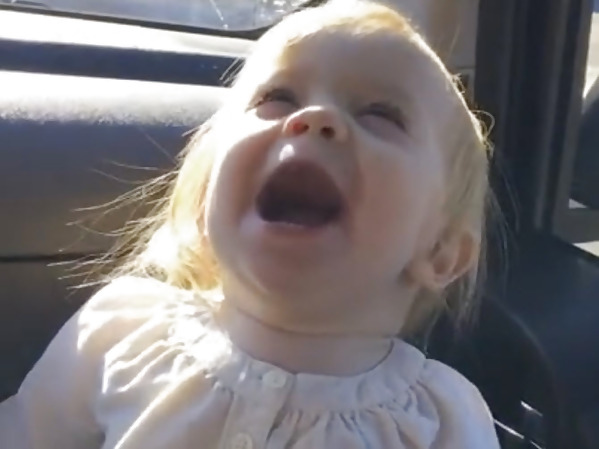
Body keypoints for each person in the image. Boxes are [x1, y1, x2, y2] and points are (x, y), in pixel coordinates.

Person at [0, 1, 500, 448]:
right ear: (204, 199)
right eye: (278, 97)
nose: (316, 116)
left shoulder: (441, 424)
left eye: (381, 114)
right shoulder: (121, 335)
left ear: (441, 251)